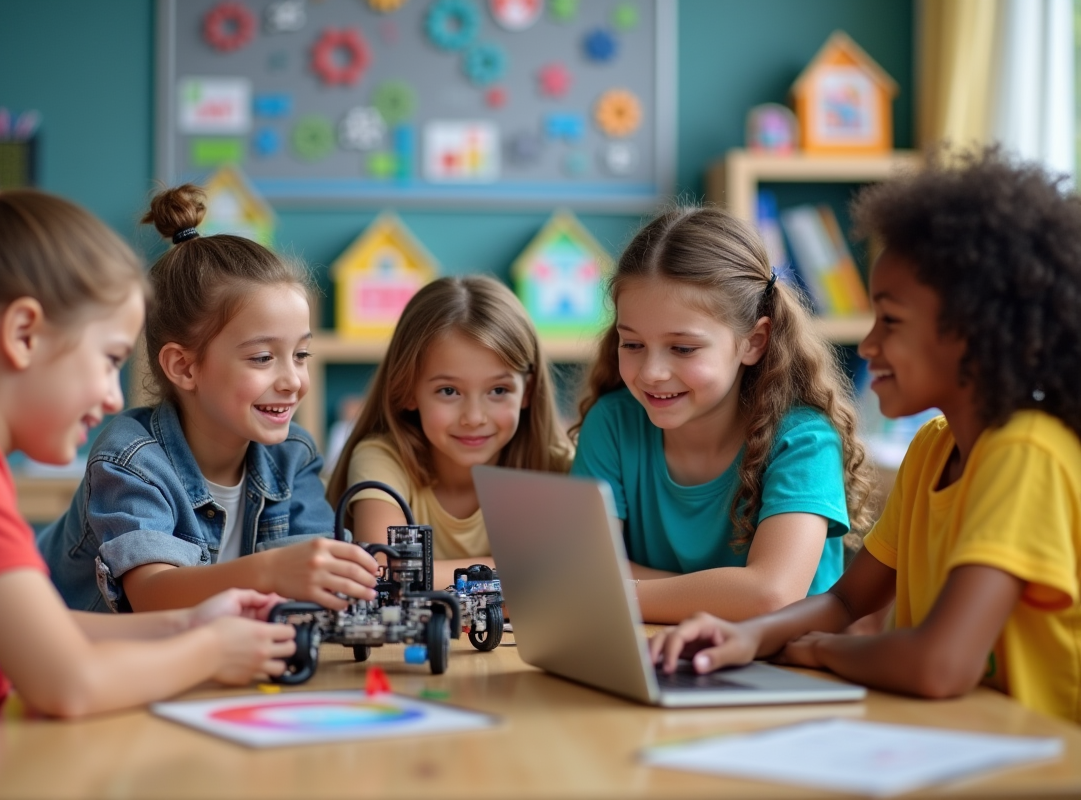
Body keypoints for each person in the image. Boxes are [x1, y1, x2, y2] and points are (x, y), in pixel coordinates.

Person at [0, 170, 297, 800]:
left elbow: (53, 626)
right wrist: (211, 651)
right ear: (23, 334)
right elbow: (66, 682)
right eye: (107, 359)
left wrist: (190, 625)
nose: (111, 396)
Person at [650, 149, 1081, 723]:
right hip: (956, 739)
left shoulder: (1025, 453)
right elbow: (846, 599)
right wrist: (747, 637)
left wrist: (821, 651)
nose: (870, 344)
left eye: (892, 321)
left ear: (979, 330)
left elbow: (940, 665)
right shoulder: (933, 446)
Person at [37, 184, 378, 613]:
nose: (293, 380)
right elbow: (153, 595)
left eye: (302, 354)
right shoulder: (131, 460)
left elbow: (314, 579)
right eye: (262, 357)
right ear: (184, 367)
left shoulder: (293, 455)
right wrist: (271, 571)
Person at [572, 206, 873, 624]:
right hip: (660, 655)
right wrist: (725, 594)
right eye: (633, 344)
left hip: (789, 675)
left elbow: (771, 595)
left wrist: (605, 590)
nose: (651, 373)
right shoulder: (613, 423)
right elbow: (582, 570)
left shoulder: (804, 440)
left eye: (683, 348)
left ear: (753, 342)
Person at [327, 276, 573, 588]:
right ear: (408, 390)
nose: (473, 417)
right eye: (448, 391)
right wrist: (528, 572)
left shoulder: (557, 467)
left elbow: (586, 574)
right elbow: (386, 573)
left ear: (528, 391)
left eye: (498, 390)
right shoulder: (382, 458)